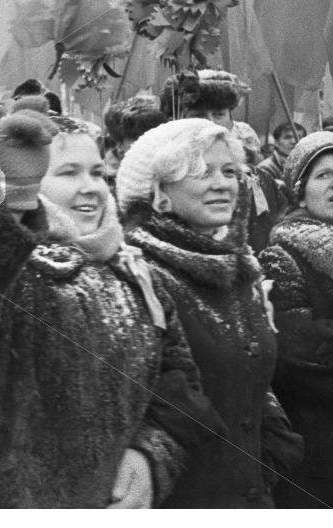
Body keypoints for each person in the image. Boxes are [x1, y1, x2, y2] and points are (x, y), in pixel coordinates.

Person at [0, 110, 217, 508]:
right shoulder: (7, 268)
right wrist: (4, 208)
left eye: (97, 172)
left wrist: (150, 457)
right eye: (68, 172)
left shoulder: (137, 275)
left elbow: (177, 383)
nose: (90, 187)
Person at [117, 118, 304, 507]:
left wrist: (272, 449)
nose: (222, 184)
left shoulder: (241, 268)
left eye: (230, 171)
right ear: (159, 191)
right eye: (201, 172)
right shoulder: (137, 273)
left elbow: (256, 382)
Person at [258, 131, 333, 507]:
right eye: (323, 175)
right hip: (318, 436)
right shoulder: (280, 256)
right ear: (300, 192)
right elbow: (298, 358)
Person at [159, 69, 286, 252]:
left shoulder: (261, 179)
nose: (211, 123)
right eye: (198, 115)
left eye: (219, 114)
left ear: (232, 120)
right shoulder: (164, 179)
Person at [257, 121, 307, 186]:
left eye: (299, 137)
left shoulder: (308, 164)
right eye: (287, 137)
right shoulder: (265, 168)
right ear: (277, 142)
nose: (293, 141)